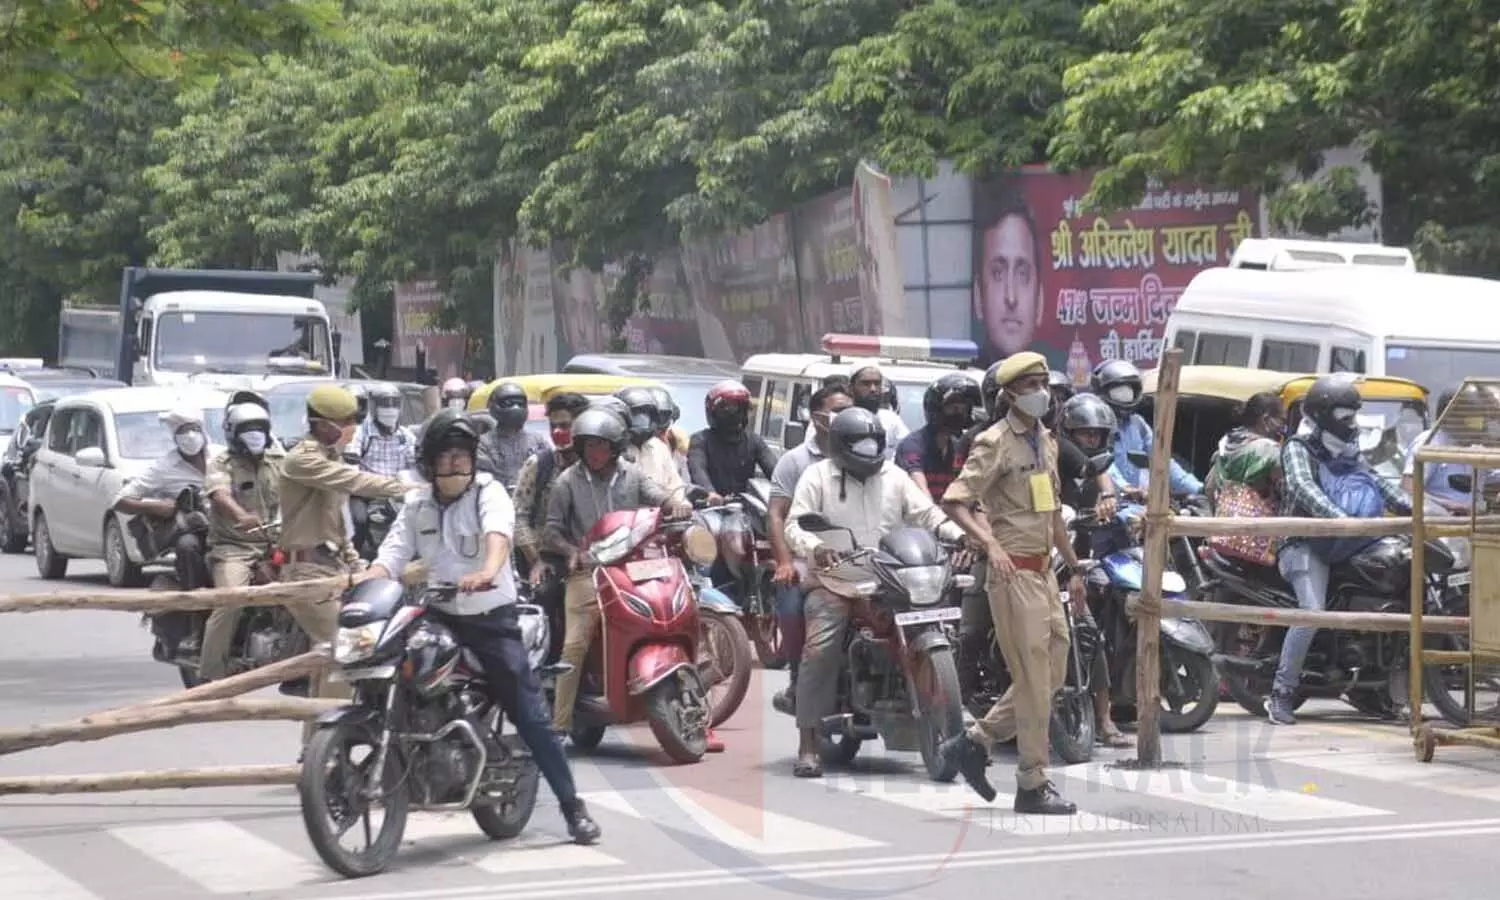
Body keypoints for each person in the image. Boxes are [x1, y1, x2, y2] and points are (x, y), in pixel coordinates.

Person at [363, 411, 602, 845]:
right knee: (391, 666)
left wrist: (488, 571)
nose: (454, 464)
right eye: (445, 457)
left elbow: (498, 535)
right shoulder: (417, 504)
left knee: (529, 714)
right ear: (429, 462)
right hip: (436, 615)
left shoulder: (489, 493)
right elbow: (392, 554)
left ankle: (573, 807)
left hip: (490, 619)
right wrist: (368, 578)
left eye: (461, 456)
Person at [937, 351, 1086, 814]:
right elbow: (955, 500)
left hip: (1043, 572)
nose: (1042, 392)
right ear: (1010, 394)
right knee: (1034, 678)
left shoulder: (1048, 442)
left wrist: (1074, 566)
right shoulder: (994, 441)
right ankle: (1032, 782)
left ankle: (975, 740)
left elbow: (1052, 512)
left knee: (1052, 672)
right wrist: (990, 544)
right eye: (1031, 384)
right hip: (1011, 574)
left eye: (1044, 382)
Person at [782, 406, 966, 778]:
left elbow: (927, 514)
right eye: (858, 446)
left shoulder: (895, 476)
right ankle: (807, 741)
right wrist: (816, 547)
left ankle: (957, 720)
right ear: (840, 446)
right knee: (820, 646)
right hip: (837, 577)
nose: (867, 453)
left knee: (944, 627)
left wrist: (958, 534)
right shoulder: (817, 476)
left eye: (873, 445)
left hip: (892, 574)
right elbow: (794, 524)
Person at [541, 408, 719, 748]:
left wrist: (675, 505)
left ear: (616, 447)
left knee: (678, 610)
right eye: (589, 446)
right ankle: (560, 724)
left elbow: (661, 496)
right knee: (575, 642)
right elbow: (551, 532)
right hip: (589, 571)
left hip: (633, 564)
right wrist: (571, 551)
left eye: (602, 446)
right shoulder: (567, 482)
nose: (595, 453)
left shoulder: (633, 475)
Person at [1270, 375, 1412, 726]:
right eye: (1345, 416)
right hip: (1305, 544)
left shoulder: (1347, 448)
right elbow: (1304, 488)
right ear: (1323, 414)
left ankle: (1369, 688)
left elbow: (1375, 481)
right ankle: (1281, 693)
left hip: (1349, 541)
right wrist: (1341, 519)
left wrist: (1413, 508)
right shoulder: (1298, 448)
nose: (1352, 423)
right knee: (1313, 612)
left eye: (1353, 416)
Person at [279, 385, 411, 743]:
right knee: (344, 652)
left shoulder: (331, 458)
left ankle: (316, 751)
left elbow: (339, 524)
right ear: (322, 425)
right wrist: (404, 487)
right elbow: (355, 481)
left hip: (334, 568)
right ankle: (330, 742)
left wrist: (355, 562)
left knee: (331, 662)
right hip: (305, 572)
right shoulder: (302, 460)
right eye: (346, 422)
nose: (352, 427)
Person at [767, 384, 854, 715]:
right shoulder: (795, 461)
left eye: (852, 410)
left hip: (857, 556)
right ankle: (795, 678)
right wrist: (785, 562)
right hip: (808, 557)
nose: (849, 418)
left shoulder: (867, 455)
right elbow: (776, 515)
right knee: (790, 603)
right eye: (839, 411)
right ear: (819, 418)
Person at [1055, 392, 1130, 749]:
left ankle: (1104, 718)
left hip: (1078, 564)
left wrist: (1109, 498)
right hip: (1042, 560)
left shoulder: (1096, 466)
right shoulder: (1052, 460)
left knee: (1089, 635)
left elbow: (1105, 485)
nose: (1091, 440)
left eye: (1097, 435)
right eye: (1085, 434)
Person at [199, 400, 285, 681]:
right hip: (233, 548)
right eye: (248, 429)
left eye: (259, 428)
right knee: (232, 600)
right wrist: (240, 514)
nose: (255, 434)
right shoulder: (221, 463)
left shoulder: (279, 461)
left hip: (276, 543)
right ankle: (211, 674)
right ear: (233, 432)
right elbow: (219, 493)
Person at [111, 408, 217, 590]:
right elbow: (120, 501)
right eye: (182, 431)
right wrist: (156, 506)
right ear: (175, 437)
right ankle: (196, 604)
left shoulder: (221, 457)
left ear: (202, 430)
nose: (189, 436)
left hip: (233, 528)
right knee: (187, 547)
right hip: (198, 531)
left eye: (193, 429)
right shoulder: (164, 468)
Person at [1092, 359, 1203, 497]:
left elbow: (1162, 460)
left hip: (1137, 501)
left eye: (1129, 391)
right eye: (1118, 392)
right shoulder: (1095, 425)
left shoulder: (1138, 424)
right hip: (1107, 502)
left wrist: (1197, 488)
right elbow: (1102, 462)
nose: (1125, 396)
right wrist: (1125, 487)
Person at [514, 392, 591, 585]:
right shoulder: (539, 464)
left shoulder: (599, 465)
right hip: (548, 555)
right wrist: (536, 561)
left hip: (593, 556)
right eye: (553, 426)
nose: (557, 432)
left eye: (565, 426)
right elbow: (519, 518)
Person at [971, 188, 1042, 362]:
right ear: (979, 296)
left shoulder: (1056, 383)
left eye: (1022, 274)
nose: (1011, 298)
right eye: (997, 274)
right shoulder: (963, 381)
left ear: (1040, 300)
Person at [348, 383, 417, 552]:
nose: (390, 409)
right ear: (374, 407)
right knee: (358, 520)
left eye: (394, 404)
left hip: (397, 493)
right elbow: (352, 466)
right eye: (384, 404)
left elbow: (415, 468)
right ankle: (357, 559)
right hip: (366, 492)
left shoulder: (406, 436)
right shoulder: (361, 433)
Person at [895, 374, 982, 503]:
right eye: (952, 407)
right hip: (917, 517)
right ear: (936, 409)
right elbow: (920, 493)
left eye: (962, 407)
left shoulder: (959, 447)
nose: (959, 412)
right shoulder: (913, 445)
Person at [687, 380, 779, 502]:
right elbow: (698, 470)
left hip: (744, 510)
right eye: (726, 410)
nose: (732, 415)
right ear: (713, 412)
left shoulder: (754, 441)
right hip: (708, 511)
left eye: (737, 409)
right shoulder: (700, 440)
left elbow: (775, 471)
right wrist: (710, 493)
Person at [1402, 388, 1475, 514]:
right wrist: (1448, 505)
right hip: (1437, 526)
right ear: (1449, 415)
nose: (1475, 423)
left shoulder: (1476, 447)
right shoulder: (1430, 441)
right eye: (1468, 416)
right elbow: (1409, 487)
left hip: (1471, 524)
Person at [474, 382, 549, 493]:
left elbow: (548, 472)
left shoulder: (537, 440)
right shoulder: (483, 443)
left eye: (520, 403)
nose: (515, 407)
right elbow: (484, 478)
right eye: (508, 403)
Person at [617, 386, 684, 501]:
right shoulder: (615, 449)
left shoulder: (659, 447)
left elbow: (675, 486)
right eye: (636, 416)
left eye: (645, 416)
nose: (642, 422)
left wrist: (679, 506)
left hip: (662, 513)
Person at [848, 365, 909, 453]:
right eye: (866, 384)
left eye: (877, 383)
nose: (873, 389)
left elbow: (907, 449)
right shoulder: (842, 418)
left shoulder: (891, 419)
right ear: (851, 388)